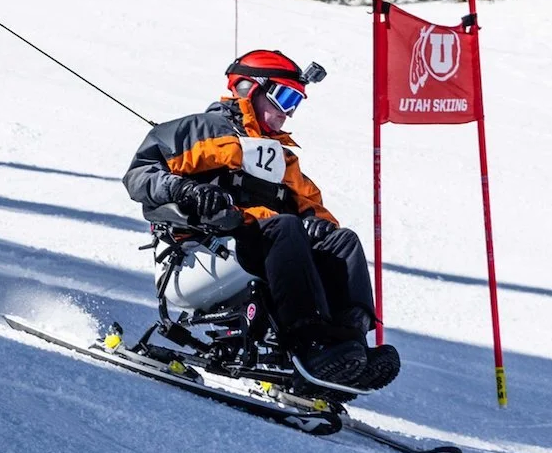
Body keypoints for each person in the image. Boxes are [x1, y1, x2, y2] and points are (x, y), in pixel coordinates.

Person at [123, 49, 400, 395]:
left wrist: (318, 223)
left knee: (341, 242)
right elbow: (139, 175)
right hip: (200, 257)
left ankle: (346, 348)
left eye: (296, 102)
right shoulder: (204, 129)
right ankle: (308, 342)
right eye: (284, 97)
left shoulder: (280, 155)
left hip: (260, 253)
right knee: (284, 226)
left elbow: (312, 205)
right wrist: (186, 190)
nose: (288, 112)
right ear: (246, 89)